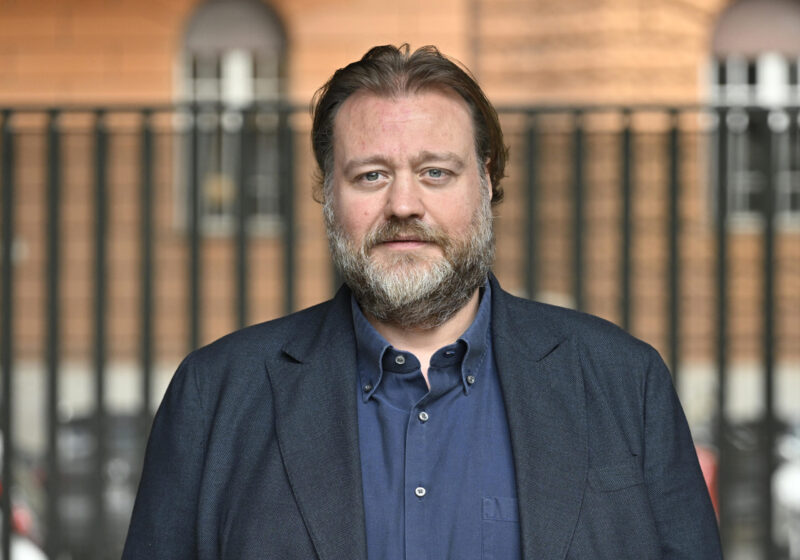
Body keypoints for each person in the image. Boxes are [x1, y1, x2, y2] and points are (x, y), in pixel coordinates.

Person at [123, 44, 722, 559]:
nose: (404, 205)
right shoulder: (216, 395)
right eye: (371, 175)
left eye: (435, 172)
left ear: (485, 181)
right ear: (328, 192)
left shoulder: (625, 381)